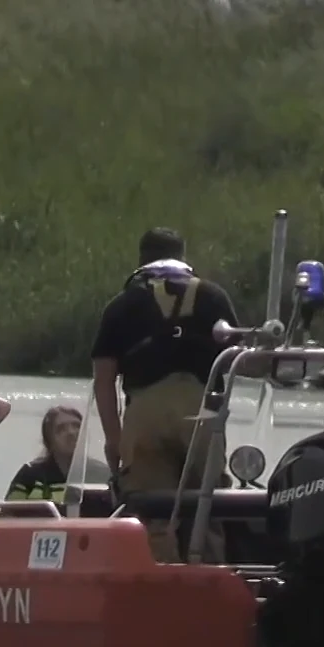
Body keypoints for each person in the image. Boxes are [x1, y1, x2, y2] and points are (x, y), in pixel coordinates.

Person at [90, 227, 245, 563]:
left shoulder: (122, 304)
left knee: (152, 513)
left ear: (142, 259)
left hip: (145, 410)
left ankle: (160, 578)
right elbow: (239, 359)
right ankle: (209, 577)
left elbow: (103, 380)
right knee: (207, 508)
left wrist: (114, 440)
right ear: (182, 256)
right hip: (201, 408)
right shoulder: (213, 296)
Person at [5, 405, 84, 505]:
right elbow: (9, 511)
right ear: (49, 441)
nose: (71, 432)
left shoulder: (99, 472)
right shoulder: (30, 474)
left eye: (77, 426)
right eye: (61, 429)